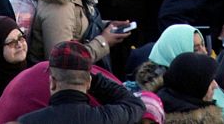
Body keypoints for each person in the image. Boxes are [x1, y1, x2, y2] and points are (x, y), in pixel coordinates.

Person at [15, 41, 144, 124]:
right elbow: (136, 104)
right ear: (88, 83)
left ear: (52, 82)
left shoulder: (27, 121)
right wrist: (95, 80)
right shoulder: (106, 118)